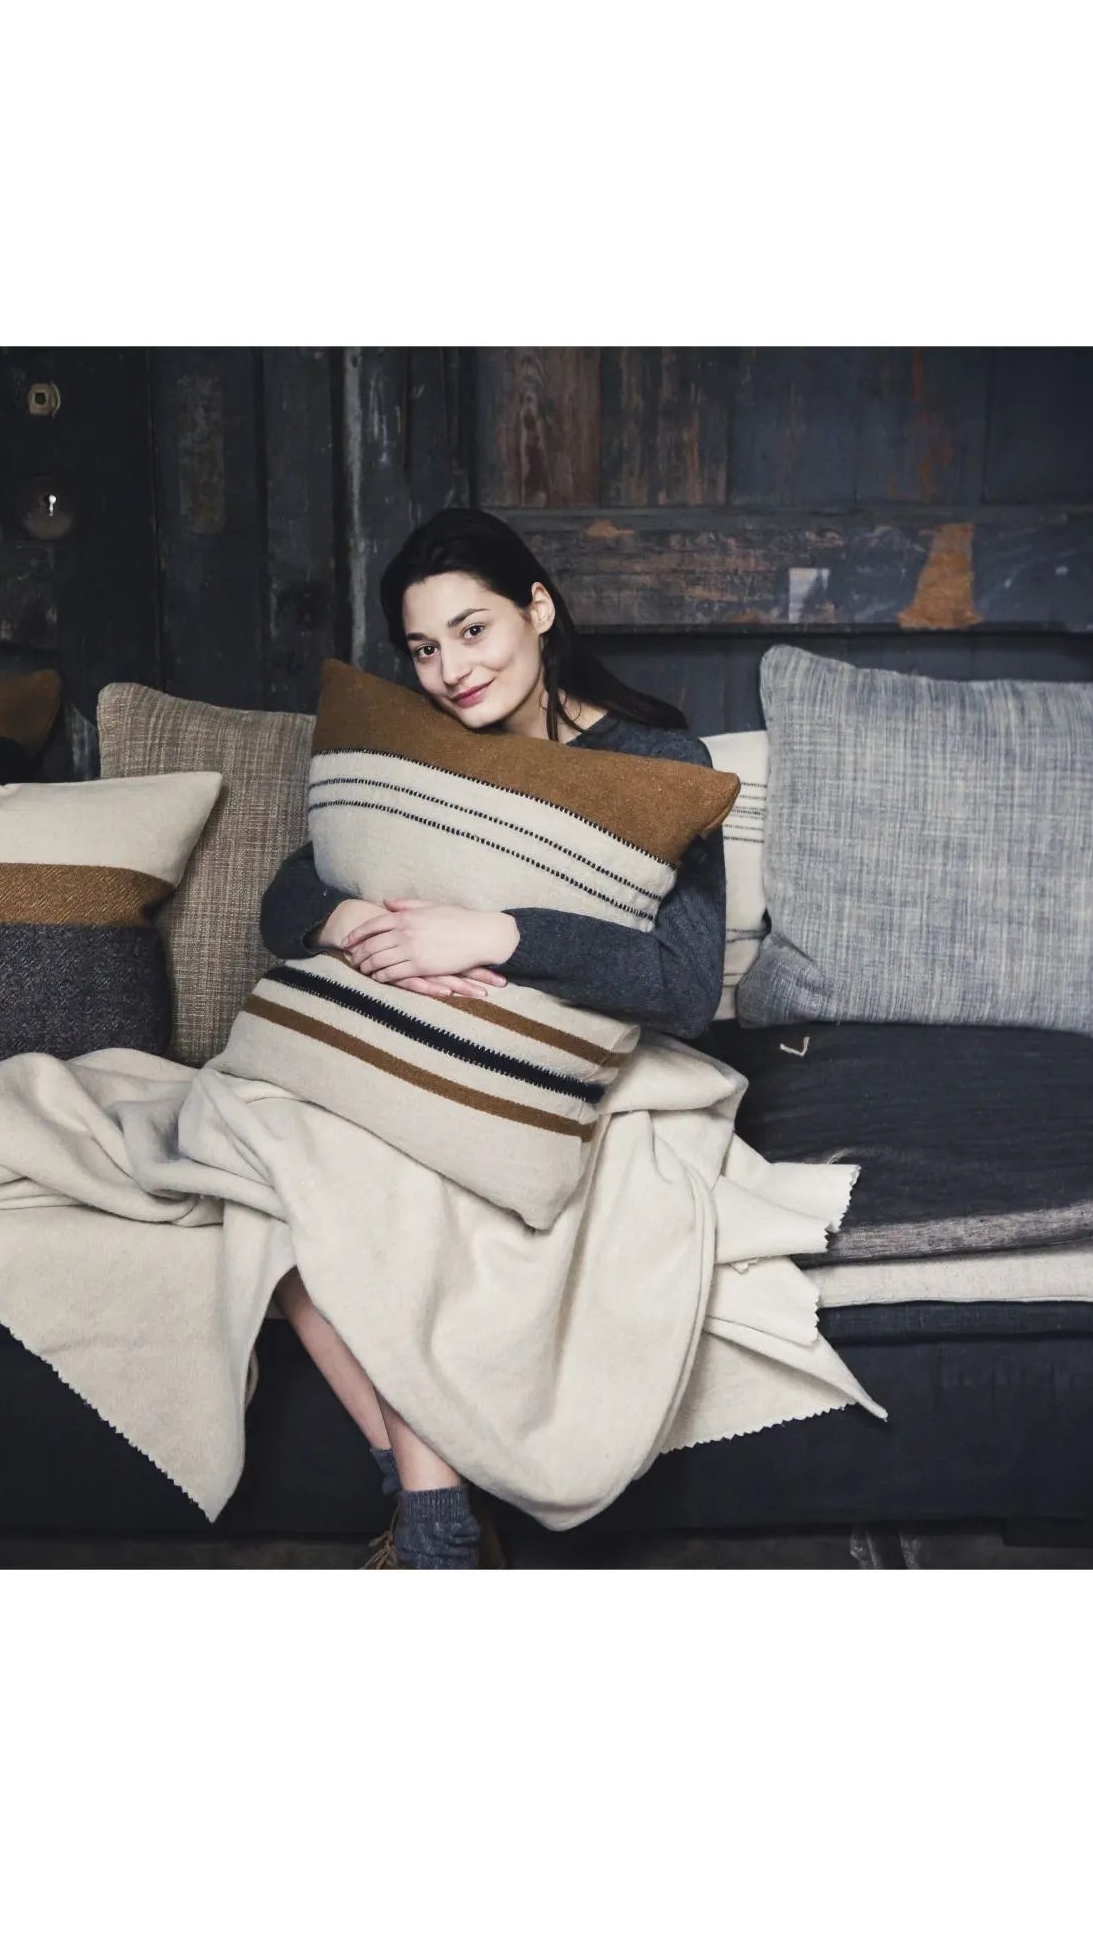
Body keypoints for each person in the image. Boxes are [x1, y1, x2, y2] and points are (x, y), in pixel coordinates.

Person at [257, 506, 727, 1568]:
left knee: (388, 1174)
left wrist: (498, 934)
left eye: (473, 631)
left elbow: (686, 984)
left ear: (538, 609)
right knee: (258, 1156)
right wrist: (348, 919)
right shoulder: (423, 749)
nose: (451, 672)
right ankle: (434, 1511)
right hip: (404, 1053)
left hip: (562, 1071)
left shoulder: (654, 756)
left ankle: (431, 1526)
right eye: (424, 648)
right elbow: (287, 894)